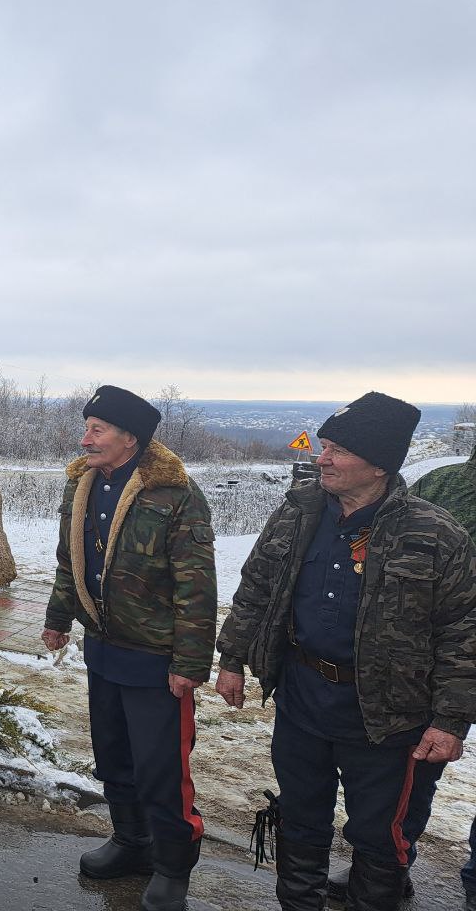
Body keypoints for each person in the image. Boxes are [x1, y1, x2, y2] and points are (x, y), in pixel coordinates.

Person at [215, 392, 476, 911]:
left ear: (378, 464)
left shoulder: (435, 534)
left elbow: (462, 632)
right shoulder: (298, 512)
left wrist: (451, 721)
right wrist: (231, 658)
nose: (321, 457)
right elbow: (257, 585)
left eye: (336, 449)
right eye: (323, 445)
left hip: (387, 719)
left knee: (380, 837)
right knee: (300, 818)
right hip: (301, 700)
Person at [41, 385, 216, 911]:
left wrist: (190, 663)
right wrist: (57, 619)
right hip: (104, 650)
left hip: (157, 660)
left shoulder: (175, 495)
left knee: (161, 768)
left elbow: (197, 586)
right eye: (87, 427)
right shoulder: (83, 485)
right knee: (113, 757)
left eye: (97, 430)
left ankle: (171, 866)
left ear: (130, 438)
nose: (85, 439)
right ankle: (130, 842)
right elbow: (68, 560)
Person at [324, 433, 476, 907]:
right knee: (411, 774)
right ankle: (388, 865)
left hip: (449, 651)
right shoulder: (445, 485)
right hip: (435, 661)